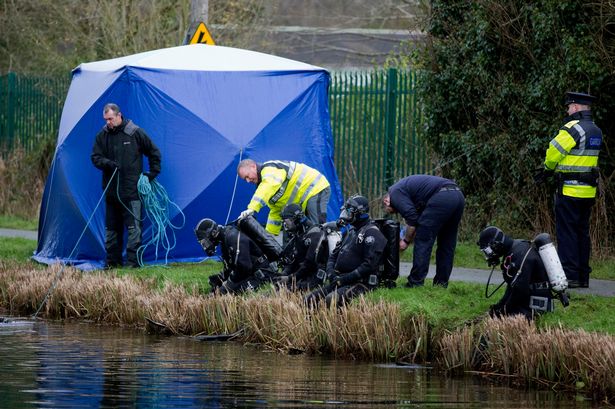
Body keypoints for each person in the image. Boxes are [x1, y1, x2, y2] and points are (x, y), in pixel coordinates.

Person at [535, 92, 603, 288]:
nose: (567, 110)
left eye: (568, 107)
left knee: (567, 233)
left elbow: (553, 152)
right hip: (588, 192)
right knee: (583, 233)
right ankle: (583, 276)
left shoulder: (572, 129)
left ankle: (570, 275)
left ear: (575, 107)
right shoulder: (596, 130)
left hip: (569, 190)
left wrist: (548, 169)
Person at [91, 103, 161, 268]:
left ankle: (132, 263)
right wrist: (107, 163)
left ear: (118, 115)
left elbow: (154, 152)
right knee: (111, 230)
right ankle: (112, 263)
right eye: (106, 119)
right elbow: (95, 157)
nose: (108, 122)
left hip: (131, 192)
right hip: (111, 192)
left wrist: (152, 173)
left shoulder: (135, 132)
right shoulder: (102, 135)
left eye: (110, 119)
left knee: (134, 229)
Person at [383, 175, 465, 288]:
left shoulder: (394, 192)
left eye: (393, 210)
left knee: (423, 240)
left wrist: (405, 241)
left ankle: (415, 283)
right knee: (447, 244)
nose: (396, 211)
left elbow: (412, 219)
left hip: (442, 197)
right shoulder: (409, 192)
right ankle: (441, 285)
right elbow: (416, 220)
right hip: (458, 195)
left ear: (386, 201)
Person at [305, 195, 387, 308]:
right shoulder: (350, 232)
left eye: (348, 210)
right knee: (309, 299)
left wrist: (343, 279)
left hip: (361, 283)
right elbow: (333, 256)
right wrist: (331, 273)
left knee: (331, 299)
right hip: (341, 280)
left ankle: (339, 325)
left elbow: (368, 266)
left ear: (359, 212)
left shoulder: (372, 233)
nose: (344, 214)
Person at [477, 226, 556, 320]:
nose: (488, 255)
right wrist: (498, 307)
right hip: (529, 298)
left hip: (536, 304)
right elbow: (512, 287)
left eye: (488, 251)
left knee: (505, 323)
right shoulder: (515, 249)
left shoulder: (519, 255)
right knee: (499, 316)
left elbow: (520, 291)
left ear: (496, 245)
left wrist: (503, 311)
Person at [236, 159, 330, 236]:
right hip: (306, 197)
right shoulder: (264, 185)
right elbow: (276, 211)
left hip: (316, 187)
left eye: (247, 176)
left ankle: (327, 255)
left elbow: (268, 185)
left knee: (316, 230)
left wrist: (252, 208)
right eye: (245, 179)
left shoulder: (269, 169)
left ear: (253, 166)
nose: (248, 181)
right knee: (306, 234)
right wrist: (269, 236)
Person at [194, 218, 276, 295]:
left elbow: (244, 268)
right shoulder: (224, 239)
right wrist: (221, 278)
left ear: (213, 233)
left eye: (205, 242)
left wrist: (227, 285)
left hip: (263, 274)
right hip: (252, 272)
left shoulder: (232, 237)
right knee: (220, 286)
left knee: (230, 293)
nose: (205, 246)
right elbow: (232, 266)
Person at [277, 203, 329, 291]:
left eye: (285, 220)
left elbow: (309, 264)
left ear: (296, 219)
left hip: (314, 277)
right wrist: (284, 274)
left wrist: (290, 278)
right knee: (277, 288)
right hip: (302, 275)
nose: (284, 224)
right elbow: (294, 260)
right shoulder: (298, 234)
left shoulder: (315, 233)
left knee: (286, 291)